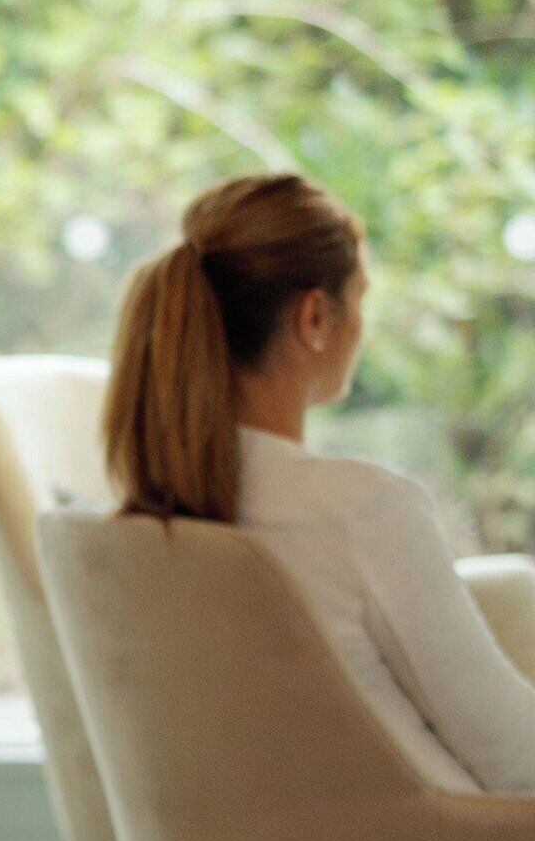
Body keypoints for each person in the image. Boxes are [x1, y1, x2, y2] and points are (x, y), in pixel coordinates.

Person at [104, 171, 535, 791]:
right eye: (358, 299)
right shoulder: (364, 511)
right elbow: (515, 759)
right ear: (314, 316)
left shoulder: (134, 525)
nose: (360, 326)